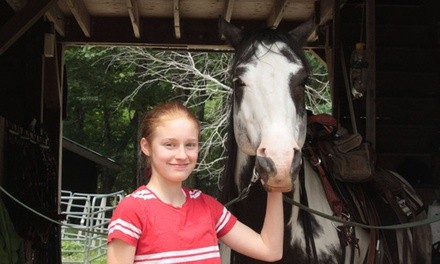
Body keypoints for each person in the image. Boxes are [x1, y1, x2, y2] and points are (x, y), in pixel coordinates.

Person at [107, 101, 284, 263]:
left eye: (190, 145)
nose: (182, 155)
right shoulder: (132, 211)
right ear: (146, 147)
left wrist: (275, 185)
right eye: (170, 144)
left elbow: (269, 250)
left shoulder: (207, 206)